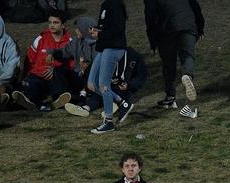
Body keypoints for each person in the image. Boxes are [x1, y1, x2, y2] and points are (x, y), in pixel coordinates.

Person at [144, 0, 204, 118]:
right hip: (188, 24)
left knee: (168, 64)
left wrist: (153, 41)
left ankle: (171, 97)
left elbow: (150, 17)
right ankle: (187, 75)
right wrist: (200, 28)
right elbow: (195, 6)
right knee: (188, 56)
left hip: (166, 28)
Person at [11, 11, 72, 112]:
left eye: (55, 22)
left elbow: (71, 66)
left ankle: (57, 101)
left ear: (63, 26)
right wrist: (26, 74)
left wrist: (56, 69)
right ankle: (29, 101)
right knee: (33, 85)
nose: (51, 25)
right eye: (50, 22)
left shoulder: (70, 42)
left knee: (58, 79)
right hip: (38, 75)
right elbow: (30, 58)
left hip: (57, 77)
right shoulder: (41, 39)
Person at [88, 0, 133, 134]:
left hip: (114, 47)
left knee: (103, 84)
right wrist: (97, 30)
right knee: (92, 84)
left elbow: (118, 28)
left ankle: (108, 122)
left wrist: (100, 34)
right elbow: (107, 26)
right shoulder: (105, 4)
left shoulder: (116, 4)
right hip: (104, 47)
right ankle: (122, 103)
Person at [65, 46, 147, 118]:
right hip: (106, 86)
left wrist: (129, 85)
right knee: (99, 91)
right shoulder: (105, 54)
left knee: (114, 90)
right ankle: (86, 108)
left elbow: (141, 76)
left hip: (122, 88)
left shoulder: (133, 56)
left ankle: (113, 106)